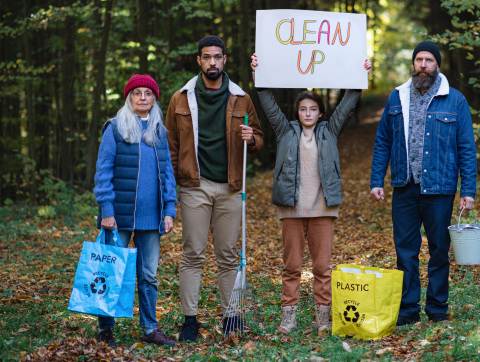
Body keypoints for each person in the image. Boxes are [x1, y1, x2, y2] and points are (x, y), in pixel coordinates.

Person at [250, 53, 372, 333]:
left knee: (322, 268)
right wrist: (259, 75)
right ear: (297, 112)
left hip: (322, 210)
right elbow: (267, 104)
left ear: (320, 113)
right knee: (292, 267)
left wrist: (359, 75)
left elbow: (348, 103)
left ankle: (322, 320)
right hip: (291, 209)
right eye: (303, 109)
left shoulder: (330, 131)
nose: (307, 113)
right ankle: (288, 319)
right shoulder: (284, 131)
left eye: (313, 109)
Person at [370, 41, 477, 326]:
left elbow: (466, 146)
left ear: (437, 65)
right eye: (419, 59)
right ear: (413, 64)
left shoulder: (454, 100)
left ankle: (437, 307)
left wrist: (468, 190)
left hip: (439, 189)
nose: (423, 64)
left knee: (439, 250)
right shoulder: (397, 98)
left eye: (429, 60)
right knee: (405, 250)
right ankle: (407, 309)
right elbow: (383, 141)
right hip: (405, 186)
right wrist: (376, 179)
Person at [166, 36, 264, 341]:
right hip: (194, 185)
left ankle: (230, 317)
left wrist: (252, 138)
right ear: (198, 60)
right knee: (192, 253)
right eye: (207, 57)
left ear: (225, 60)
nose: (212, 62)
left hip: (231, 187)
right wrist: (170, 191)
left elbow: (259, 138)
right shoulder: (179, 99)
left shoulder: (241, 97)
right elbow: (170, 148)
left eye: (217, 57)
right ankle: (190, 320)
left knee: (227, 255)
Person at [93, 74, 178, 347]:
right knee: (110, 272)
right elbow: (103, 172)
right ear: (129, 97)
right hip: (117, 217)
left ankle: (150, 328)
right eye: (137, 93)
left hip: (151, 217)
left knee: (149, 276)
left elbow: (168, 176)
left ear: (154, 99)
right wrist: (106, 209)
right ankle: (106, 330)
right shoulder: (115, 129)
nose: (143, 97)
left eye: (148, 93)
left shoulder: (160, 132)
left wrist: (169, 210)